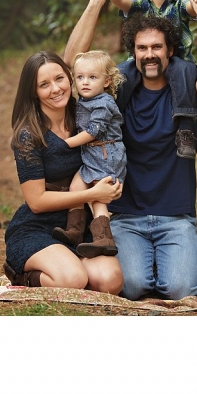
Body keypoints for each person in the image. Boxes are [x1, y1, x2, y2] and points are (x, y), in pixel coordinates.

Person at [64, 0, 197, 301]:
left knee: (180, 289)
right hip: (126, 218)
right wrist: (97, 0)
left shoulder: (189, 91)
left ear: (170, 49)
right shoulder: (117, 92)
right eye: (142, 48)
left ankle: (171, 262)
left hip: (177, 218)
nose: (150, 54)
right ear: (133, 52)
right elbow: (73, 62)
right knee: (133, 286)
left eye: (157, 47)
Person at [3, 51, 123, 293]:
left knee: (110, 282)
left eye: (59, 78)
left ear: (70, 79)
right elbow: (36, 202)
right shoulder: (29, 136)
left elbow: (109, 152)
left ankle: (68, 264)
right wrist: (91, 195)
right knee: (72, 280)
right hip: (37, 227)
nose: (56, 89)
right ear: (33, 91)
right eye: (44, 84)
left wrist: (112, 184)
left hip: (78, 225)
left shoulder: (85, 116)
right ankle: (23, 276)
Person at [89, 0, 197, 160]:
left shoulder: (180, 1)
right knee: (121, 75)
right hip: (141, 60)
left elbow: (193, 7)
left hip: (177, 59)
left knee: (185, 70)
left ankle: (185, 128)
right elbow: (123, 1)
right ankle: (112, 123)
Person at [51, 50, 127, 258]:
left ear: (106, 81)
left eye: (92, 77)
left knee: (97, 196)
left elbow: (94, 131)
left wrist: (65, 144)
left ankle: (104, 239)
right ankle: (75, 231)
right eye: (80, 77)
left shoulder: (104, 103)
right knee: (76, 187)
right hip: (92, 155)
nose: (85, 82)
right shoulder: (84, 100)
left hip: (106, 153)